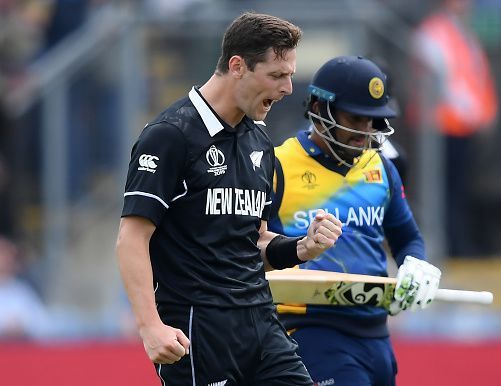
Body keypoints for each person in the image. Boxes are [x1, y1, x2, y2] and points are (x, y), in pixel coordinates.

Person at [115, 12, 343, 386]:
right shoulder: (170, 135)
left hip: (261, 322)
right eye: (276, 75)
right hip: (197, 328)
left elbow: (255, 243)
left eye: (289, 74)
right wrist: (150, 327)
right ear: (237, 65)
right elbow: (131, 239)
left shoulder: (259, 141)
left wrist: (302, 247)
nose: (288, 88)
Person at [268, 55, 442, 386]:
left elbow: (406, 237)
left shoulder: (382, 168)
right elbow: (261, 248)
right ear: (319, 110)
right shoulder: (277, 165)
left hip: (376, 333)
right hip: (309, 328)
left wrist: (415, 264)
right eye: (355, 119)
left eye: (372, 121)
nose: (364, 132)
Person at [409, 0, 498, 256]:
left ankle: (457, 242)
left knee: (457, 189)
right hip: (443, 126)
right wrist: (476, 114)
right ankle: (451, 245)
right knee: (446, 191)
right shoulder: (435, 32)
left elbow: (473, 77)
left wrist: (482, 113)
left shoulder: (459, 31)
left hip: (458, 125)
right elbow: (445, 83)